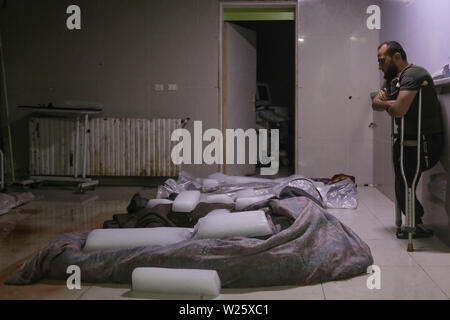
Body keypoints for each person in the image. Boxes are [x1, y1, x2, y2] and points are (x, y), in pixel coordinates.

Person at [372, 41, 444, 239]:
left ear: (396, 56)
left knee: (406, 182)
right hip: (405, 138)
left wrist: (390, 104)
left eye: (382, 60)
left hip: (424, 141)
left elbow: (399, 110)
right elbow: (375, 104)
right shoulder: (394, 79)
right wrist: (391, 103)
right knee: (402, 182)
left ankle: (416, 223)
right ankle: (416, 221)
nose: (379, 66)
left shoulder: (414, 75)